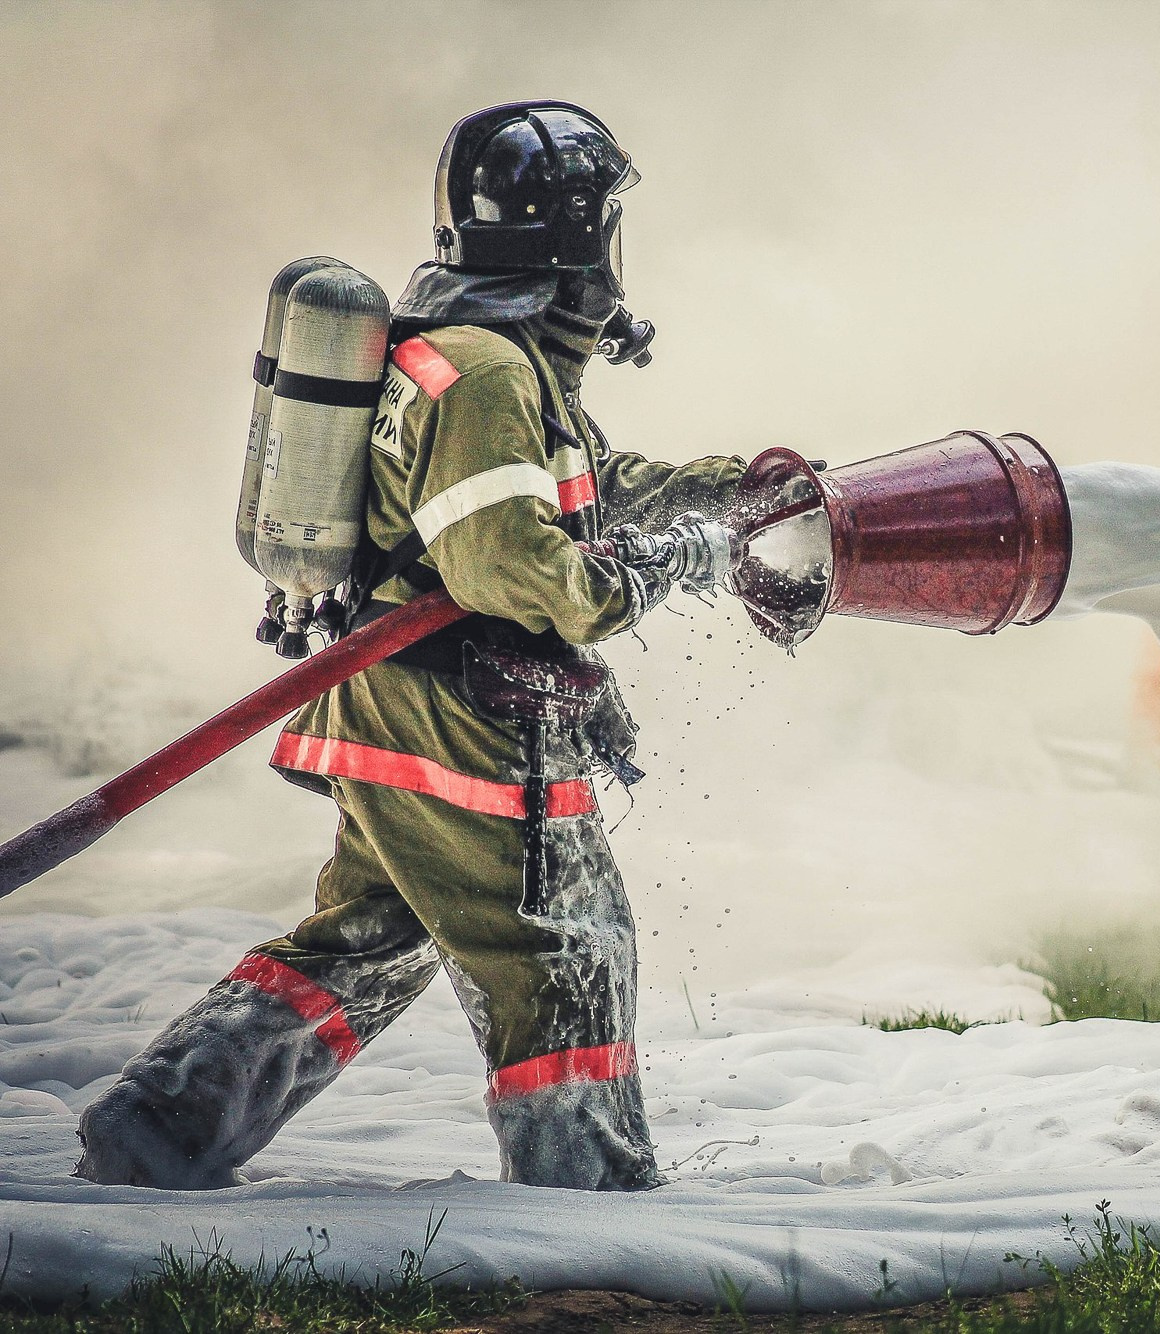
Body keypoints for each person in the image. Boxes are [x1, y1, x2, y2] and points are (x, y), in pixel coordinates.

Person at [75, 102, 742, 1191]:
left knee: (370, 935)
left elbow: (585, 493)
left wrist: (732, 496)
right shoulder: (486, 374)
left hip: (395, 705)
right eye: (604, 218)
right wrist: (658, 572)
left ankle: (161, 1129)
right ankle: (587, 1197)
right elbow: (513, 566)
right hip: (467, 723)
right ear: (571, 227)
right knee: (564, 947)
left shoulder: (473, 354)